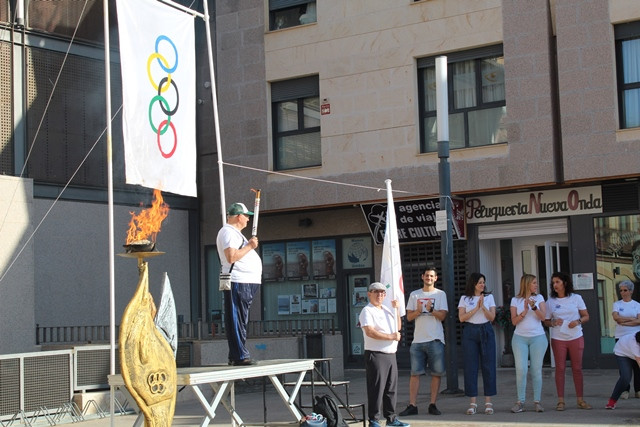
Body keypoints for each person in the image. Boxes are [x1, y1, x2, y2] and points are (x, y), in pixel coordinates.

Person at [216, 202, 261, 366]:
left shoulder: (234, 233)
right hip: (238, 280)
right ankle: (239, 355)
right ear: (238, 216)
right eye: (246, 216)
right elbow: (231, 257)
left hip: (244, 281)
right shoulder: (228, 232)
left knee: (241, 318)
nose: (248, 220)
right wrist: (249, 246)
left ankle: (237, 353)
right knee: (236, 318)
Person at [359, 282, 410, 427]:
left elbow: (397, 327)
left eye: (382, 292)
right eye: (376, 292)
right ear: (369, 294)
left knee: (390, 389)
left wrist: (397, 309)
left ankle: (391, 418)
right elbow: (370, 331)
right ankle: (374, 419)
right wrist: (391, 337)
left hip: (390, 354)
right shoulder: (367, 311)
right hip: (376, 354)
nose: (379, 295)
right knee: (376, 388)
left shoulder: (387, 309)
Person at [399, 266, 447, 417]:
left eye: (432, 276)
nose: (429, 278)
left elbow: (443, 316)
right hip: (418, 340)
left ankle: (432, 404)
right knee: (415, 374)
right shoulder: (414, 295)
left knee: (436, 373)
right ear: (422, 277)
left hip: (435, 339)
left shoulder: (440, 294)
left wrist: (431, 310)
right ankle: (412, 405)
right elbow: (408, 317)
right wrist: (419, 311)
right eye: (427, 275)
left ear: (436, 278)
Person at [543, 271, 592, 410]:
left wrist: (577, 321)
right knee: (560, 368)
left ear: (565, 283)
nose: (555, 285)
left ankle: (580, 400)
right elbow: (545, 321)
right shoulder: (550, 302)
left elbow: (586, 316)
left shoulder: (576, 298)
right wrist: (553, 322)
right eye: (553, 283)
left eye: (557, 282)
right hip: (558, 338)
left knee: (577, 368)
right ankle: (560, 401)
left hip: (576, 337)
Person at [457, 273, 497, 415]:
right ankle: (472, 403)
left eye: (483, 282)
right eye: (480, 282)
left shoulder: (489, 297)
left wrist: (483, 307)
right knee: (471, 367)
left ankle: (488, 402)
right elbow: (461, 318)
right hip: (470, 331)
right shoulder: (464, 299)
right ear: (473, 283)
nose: (482, 285)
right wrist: (476, 308)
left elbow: (492, 317)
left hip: (486, 329)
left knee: (488, 366)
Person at [509, 274, 548, 413]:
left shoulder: (539, 298)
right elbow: (513, 321)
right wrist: (525, 311)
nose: (536, 285)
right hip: (520, 338)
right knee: (521, 370)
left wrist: (534, 307)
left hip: (538, 337)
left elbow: (544, 317)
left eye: (536, 283)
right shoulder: (515, 300)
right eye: (534, 283)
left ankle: (537, 401)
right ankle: (520, 402)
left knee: (536, 370)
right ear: (526, 284)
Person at [611, 280, 640, 399]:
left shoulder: (637, 305)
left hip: (635, 338)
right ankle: (625, 390)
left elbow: (639, 321)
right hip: (621, 338)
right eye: (621, 290)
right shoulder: (617, 304)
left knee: (636, 366)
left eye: (625, 290)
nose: (622, 292)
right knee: (624, 367)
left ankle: (638, 389)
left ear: (631, 291)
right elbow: (616, 318)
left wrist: (624, 321)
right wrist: (632, 320)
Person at [606, 331, 640, 409]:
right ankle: (612, 401)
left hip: (634, 354)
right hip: (622, 354)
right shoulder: (634, 344)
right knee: (625, 377)